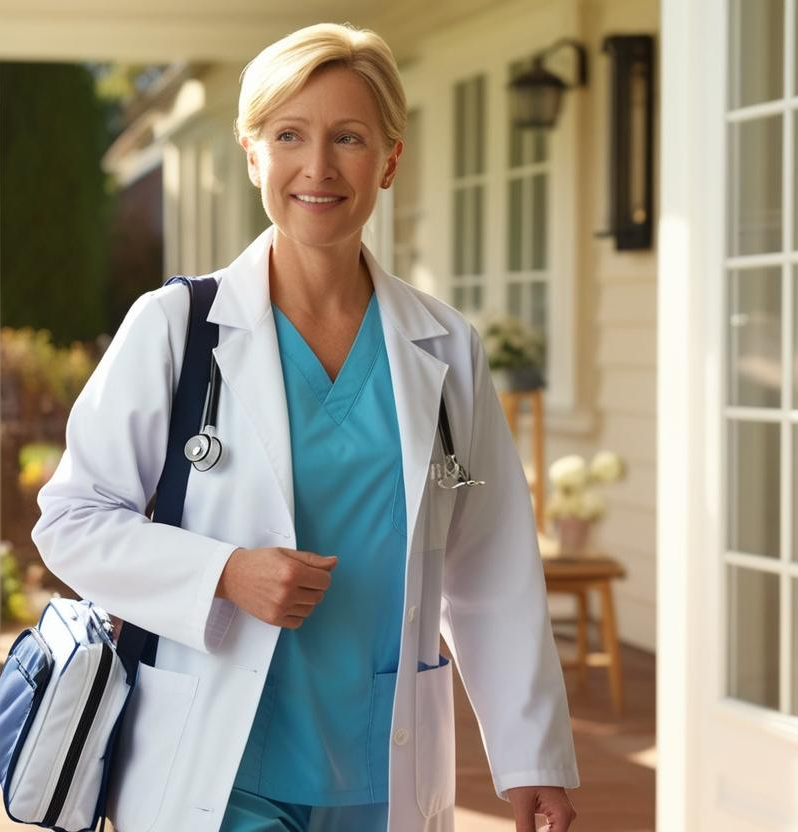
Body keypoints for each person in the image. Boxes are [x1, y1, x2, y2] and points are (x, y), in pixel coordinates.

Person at [32, 22, 579, 832]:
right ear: (253, 153)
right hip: (220, 759)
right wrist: (224, 572)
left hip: (380, 765)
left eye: (348, 138)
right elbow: (71, 523)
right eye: (289, 135)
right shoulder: (177, 327)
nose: (318, 167)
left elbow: (489, 561)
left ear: (390, 159)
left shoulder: (444, 348)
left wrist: (530, 756)